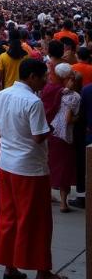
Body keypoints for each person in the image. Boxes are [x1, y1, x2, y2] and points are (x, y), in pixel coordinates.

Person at [0, 58, 58, 279]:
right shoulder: (33, 102)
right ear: (32, 77)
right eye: (43, 76)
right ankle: (41, 269)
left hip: (7, 163)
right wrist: (52, 127)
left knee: (8, 216)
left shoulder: (2, 95)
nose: (46, 80)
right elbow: (38, 136)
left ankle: (10, 266)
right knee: (36, 220)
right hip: (30, 167)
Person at [42, 61, 81, 213]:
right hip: (66, 134)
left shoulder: (49, 88)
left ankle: (47, 195)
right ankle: (64, 203)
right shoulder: (72, 95)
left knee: (48, 164)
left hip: (50, 131)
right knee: (64, 167)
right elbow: (70, 118)